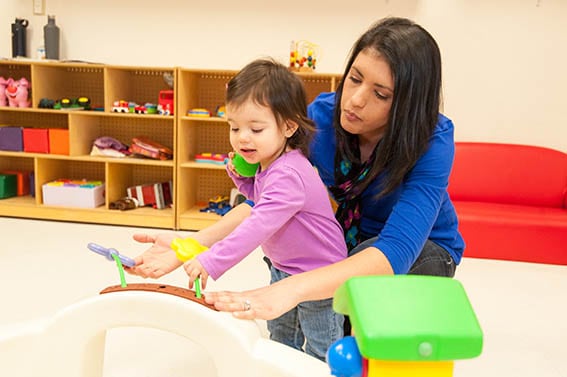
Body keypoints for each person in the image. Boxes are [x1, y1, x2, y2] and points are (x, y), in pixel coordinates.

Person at [130, 16, 464, 336]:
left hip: (419, 250)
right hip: (345, 242)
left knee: (346, 320)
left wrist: (289, 291)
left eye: (381, 94)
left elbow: (397, 249)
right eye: (355, 78)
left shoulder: (432, 141)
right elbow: (272, 200)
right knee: (311, 277)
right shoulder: (320, 117)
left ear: (408, 103)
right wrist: (194, 244)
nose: (356, 100)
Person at [130, 58, 348, 361]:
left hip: (318, 275)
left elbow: (257, 225)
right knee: (281, 337)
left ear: (288, 126)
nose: (242, 137)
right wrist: (245, 179)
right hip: (283, 268)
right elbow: (262, 200)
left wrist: (211, 259)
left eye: (256, 129)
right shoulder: (271, 165)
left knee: (321, 348)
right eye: (234, 127)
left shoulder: (289, 173)